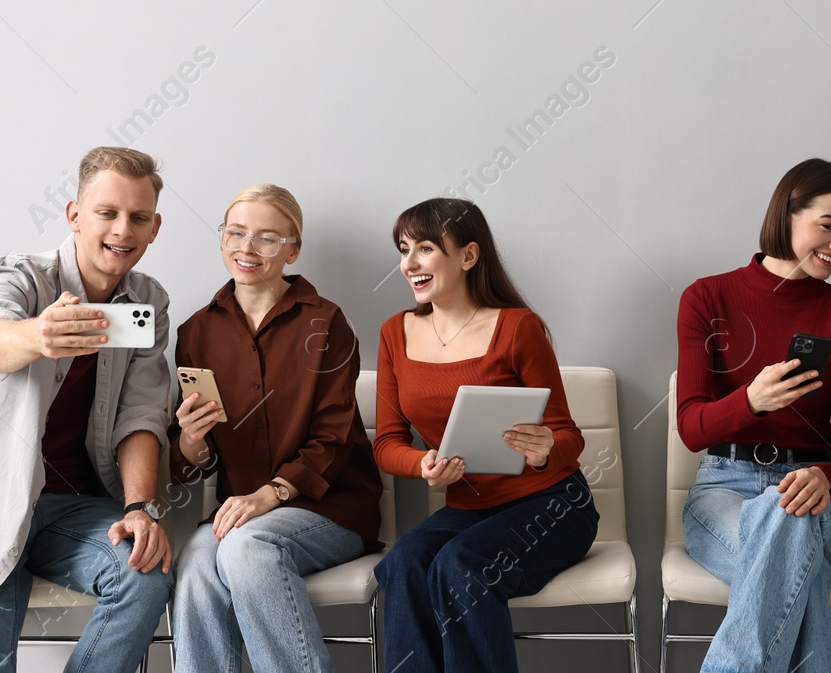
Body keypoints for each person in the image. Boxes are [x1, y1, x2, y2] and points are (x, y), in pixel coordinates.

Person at [0, 146, 174, 672]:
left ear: (154, 227)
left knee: (145, 570)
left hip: (70, 510)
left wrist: (140, 508)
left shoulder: (148, 301)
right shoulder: (18, 276)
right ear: (73, 215)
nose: (122, 229)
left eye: (138, 218)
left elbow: (141, 416)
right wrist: (37, 335)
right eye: (107, 212)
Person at [372, 197, 598, 673]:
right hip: (469, 509)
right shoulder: (395, 333)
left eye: (425, 248)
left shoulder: (518, 327)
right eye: (403, 248)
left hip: (554, 505)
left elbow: (568, 435)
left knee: (460, 566)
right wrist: (422, 465)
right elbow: (387, 443)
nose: (408, 263)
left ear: (469, 256)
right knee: (402, 565)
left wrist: (544, 450)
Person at [676, 158, 831, 673]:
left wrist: (822, 475)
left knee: (781, 514)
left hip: (815, 493)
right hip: (723, 485)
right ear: (785, 215)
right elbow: (692, 429)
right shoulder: (706, 297)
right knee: (796, 566)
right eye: (828, 226)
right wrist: (750, 401)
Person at [172, 184, 383, 673]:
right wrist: (190, 440)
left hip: (331, 509)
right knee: (196, 566)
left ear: (293, 249)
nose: (247, 248)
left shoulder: (326, 322)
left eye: (267, 238)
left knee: (248, 547)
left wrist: (271, 494)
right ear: (222, 239)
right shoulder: (195, 332)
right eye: (237, 233)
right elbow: (192, 465)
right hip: (240, 511)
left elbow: (333, 437)